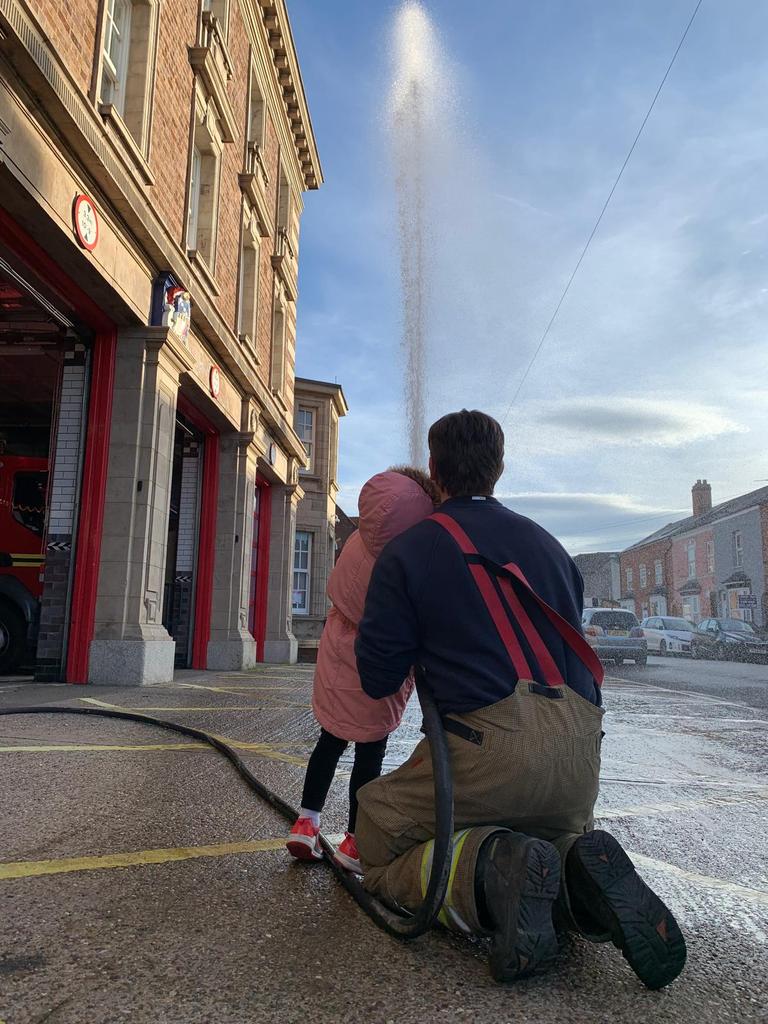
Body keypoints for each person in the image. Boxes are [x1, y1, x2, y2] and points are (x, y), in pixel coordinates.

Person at [353, 410, 686, 990]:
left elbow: (378, 678)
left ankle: (487, 874)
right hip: (579, 753)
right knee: (540, 835)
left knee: (377, 834)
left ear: (435, 469)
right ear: (499, 468)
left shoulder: (409, 551)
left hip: (489, 747)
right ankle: (577, 880)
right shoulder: (552, 546)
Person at [286, 467, 439, 873]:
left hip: (337, 644)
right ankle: (354, 840)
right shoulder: (407, 560)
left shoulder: (357, 539)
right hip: (378, 657)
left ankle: (306, 822)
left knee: (330, 739)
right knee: (370, 751)